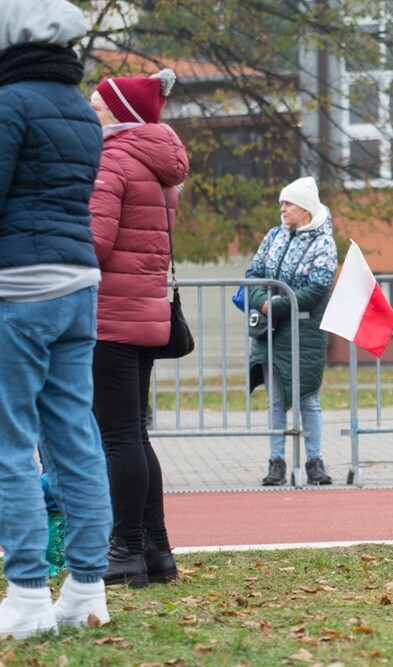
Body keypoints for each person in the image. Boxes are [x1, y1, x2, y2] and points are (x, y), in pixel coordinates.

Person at [0, 0, 114, 636]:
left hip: (19, 288)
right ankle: (87, 590)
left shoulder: (10, 104)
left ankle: (25, 597)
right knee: (74, 435)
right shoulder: (79, 107)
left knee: (10, 441)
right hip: (78, 287)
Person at [89, 68, 190, 586]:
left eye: (98, 103)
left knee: (119, 439)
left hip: (109, 316)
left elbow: (96, 243)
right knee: (136, 436)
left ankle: (125, 548)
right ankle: (158, 551)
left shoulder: (112, 159)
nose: (91, 109)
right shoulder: (158, 163)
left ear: (120, 113)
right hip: (145, 316)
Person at [246, 176, 338, 487]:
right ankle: (276, 462)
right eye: (282, 203)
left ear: (306, 208)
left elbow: (318, 287)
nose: (282, 209)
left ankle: (314, 461)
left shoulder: (323, 242)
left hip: (305, 331)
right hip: (270, 330)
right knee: (275, 399)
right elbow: (254, 273)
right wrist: (262, 303)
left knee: (307, 397)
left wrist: (278, 304)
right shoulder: (274, 236)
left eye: (288, 204)